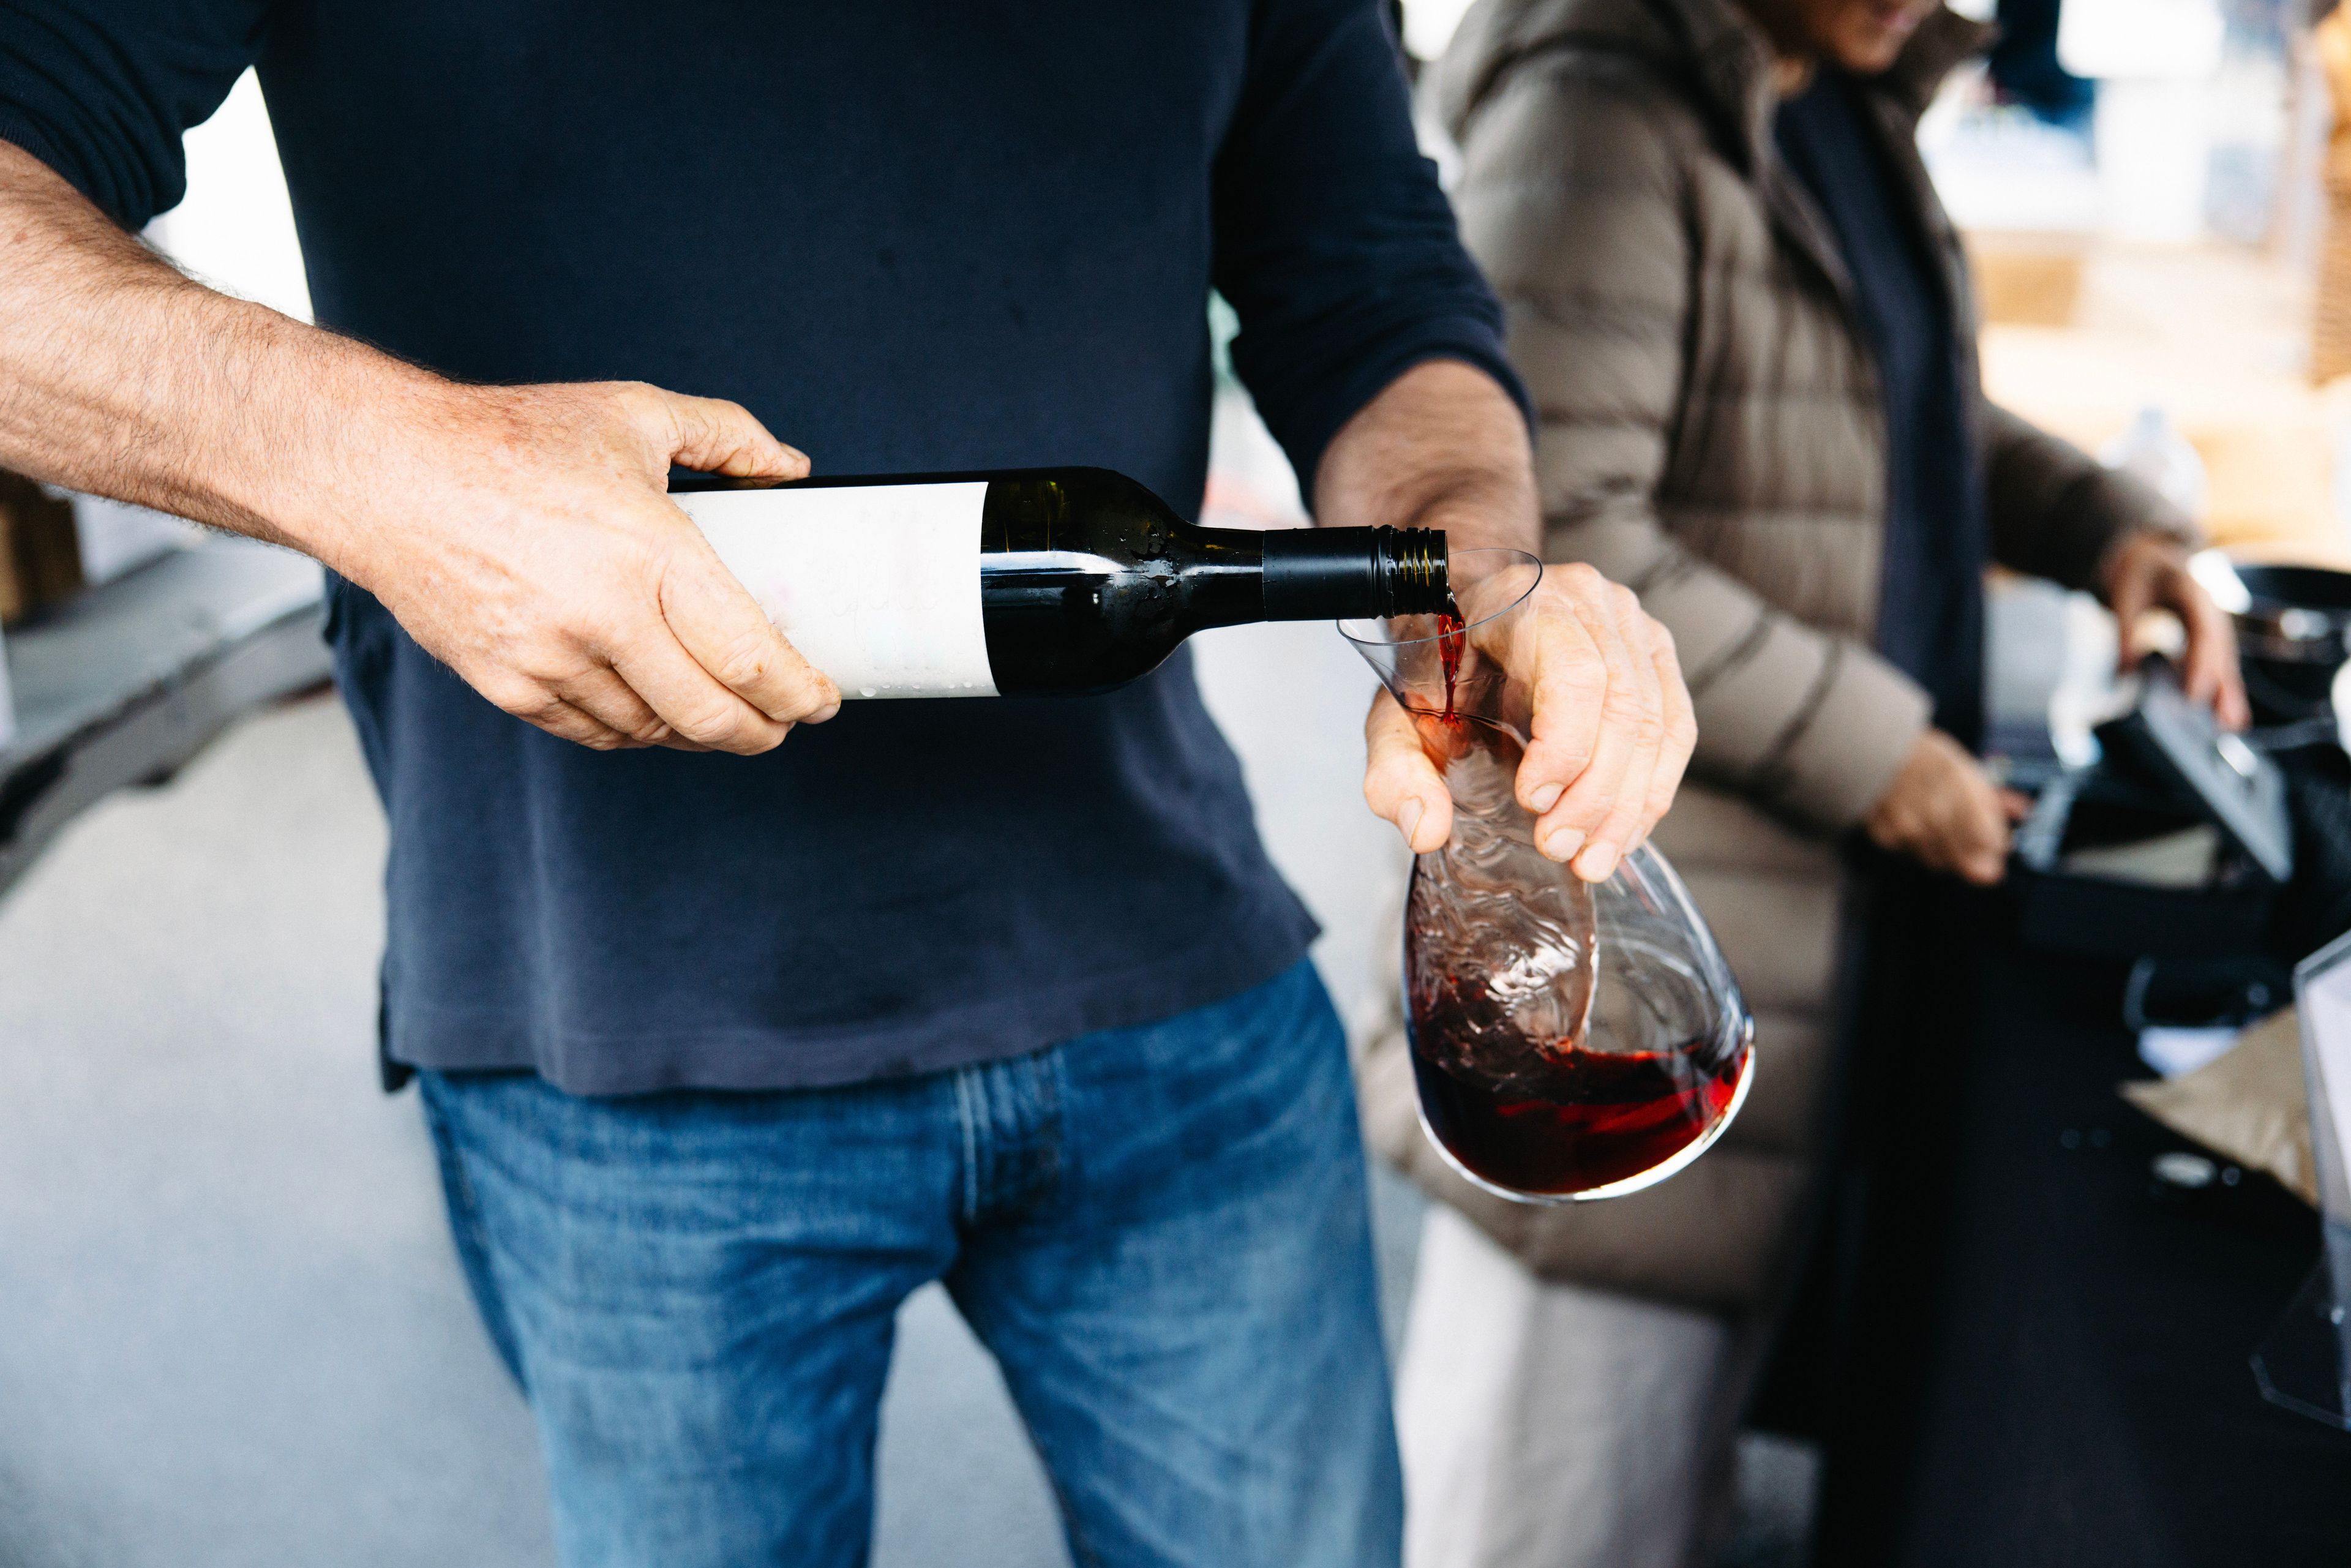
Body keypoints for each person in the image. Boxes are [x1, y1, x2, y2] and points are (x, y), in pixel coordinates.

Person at [0, 4, 1698, 1565]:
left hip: (1170, 977)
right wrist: (389, 467)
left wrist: (1469, 577)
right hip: (615, 1030)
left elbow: (1372, 285)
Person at [1355, 1, 2245, 1564]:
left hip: (1789, 934)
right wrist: (1882, 753)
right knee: (1551, 1494)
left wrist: (2104, 525)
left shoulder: (1831, 102)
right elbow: (1554, 549)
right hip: (1615, 946)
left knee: (1672, 1486)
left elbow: (1906, 414)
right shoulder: (1602, 119)